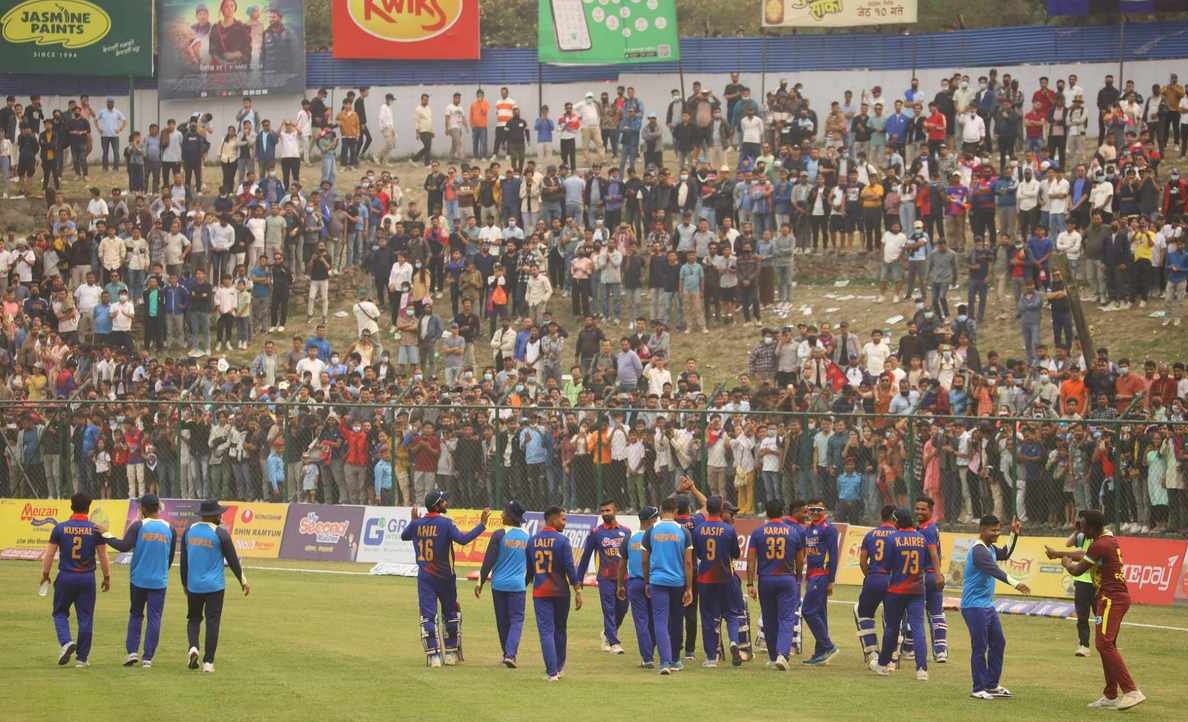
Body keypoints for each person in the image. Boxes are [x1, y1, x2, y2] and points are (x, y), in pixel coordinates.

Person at [1057, 509, 1147, 710]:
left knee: (1104, 644)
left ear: (1092, 527)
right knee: (1107, 645)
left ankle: (1131, 691)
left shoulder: (1100, 544)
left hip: (1111, 599)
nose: (1080, 530)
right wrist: (1060, 553)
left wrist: (1066, 563)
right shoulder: (1107, 540)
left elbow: (1077, 570)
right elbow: (1086, 555)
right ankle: (1110, 695)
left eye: (1082, 525)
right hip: (1112, 598)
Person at [399, 490, 489, 667]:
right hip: (445, 577)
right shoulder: (446, 523)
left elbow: (404, 536)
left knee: (428, 616)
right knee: (450, 614)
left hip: (425, 577)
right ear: (437, 505)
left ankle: (433, 657)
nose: (446, 503)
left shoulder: (417, 524)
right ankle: (450, 654)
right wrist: (482, 525)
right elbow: (463, 539)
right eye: (443, 501)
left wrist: (414, 522)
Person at [103, 493, 177, 668]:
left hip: (138, 580)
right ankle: (148, 658)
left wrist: (105, 535)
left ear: (143, 509)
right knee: (154, 618)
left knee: (136, 615)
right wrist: (161, 572)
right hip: (159, 581)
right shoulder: (170, 528)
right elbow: (170, 557)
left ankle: (132, 652)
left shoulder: (138, 526)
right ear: (158, 508)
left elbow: (123, 546)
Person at [961, 515, 1028, 700]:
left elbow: (1005, 553)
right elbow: (994, 570)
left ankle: (991, 685)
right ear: (982, 530)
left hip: (986, 605)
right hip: (973, 606)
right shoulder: (979, 551)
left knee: (998, 642)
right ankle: (978, 688)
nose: (997, 533)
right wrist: (1016, 583)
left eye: (999, 530)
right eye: (993, 530)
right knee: (980, 646)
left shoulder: (990, 548)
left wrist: (1014, 534)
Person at [40, 493, 110, 668]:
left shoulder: (60, 528)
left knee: (60, 613)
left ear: (71, 506)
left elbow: (49, 554)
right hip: (87, 578)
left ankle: (66, 642)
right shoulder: (95, 530)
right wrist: (107, 576)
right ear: (88, 508)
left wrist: (45, 574)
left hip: (66, 576)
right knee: (85, 617)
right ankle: (82, 658)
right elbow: (103, 555)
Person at [180, 498, 249, 673]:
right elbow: (233, 561)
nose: (221, 516)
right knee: (213, 622)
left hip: (194, 586)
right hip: (215, 587)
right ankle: (208, 663)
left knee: (193, 619)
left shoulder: (189, 531)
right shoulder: (220, 534)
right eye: (219, 514)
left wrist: (184, 584)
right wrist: (243, 581)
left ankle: (193, 647)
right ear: (215, 516)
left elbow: (183, 562)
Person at [870, 508, 929, 680]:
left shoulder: (892, 539)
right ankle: (922, 669)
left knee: (892, 628)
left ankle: (883, 665)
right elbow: (925, 563)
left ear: (896, 521)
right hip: (917, 590)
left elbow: (886, 565)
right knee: (918, 628)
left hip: (896, 590)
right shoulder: (921, 538)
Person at [746, 499, 804, 671]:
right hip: (786, 578)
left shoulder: (758, 533)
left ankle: (773, 657)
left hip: (766, 579)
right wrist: (797, 577)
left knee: (769, 618)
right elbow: (800, 559)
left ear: (766, 512)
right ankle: (782, 654)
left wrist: (750, 583)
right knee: (787, 618)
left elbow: (751, 560)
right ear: (782, 512)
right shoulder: (793, 532)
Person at [527, 505, 583, 681]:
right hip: (561, 592)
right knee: (560, 629)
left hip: (540, 593)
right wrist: (577, 590)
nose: (565, 523)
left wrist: (524, 585)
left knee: (546, 632)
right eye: (563, 519)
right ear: (552, 519)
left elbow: (529, 571)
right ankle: (559, 667)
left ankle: (551, 672)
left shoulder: (532, 541)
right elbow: (570, 568)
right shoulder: (562, 541)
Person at [642, 496, 693, 675]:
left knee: (660, 621)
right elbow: (688, 562)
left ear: (661, 510)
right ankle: (675, 660)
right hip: (677, 582)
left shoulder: (651, 530)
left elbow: (644, 560)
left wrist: (647, 581)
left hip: (657, 581)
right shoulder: (683, 532)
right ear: (676, 511)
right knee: (677, 621)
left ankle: (664, 662)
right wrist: (689, 587)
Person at [475, 500, 529, 668]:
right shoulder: (527, 536)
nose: (501, 515)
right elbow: (532, 563)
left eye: (504, 512)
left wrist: (480, 582)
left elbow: (488, 561)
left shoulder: (499, 534)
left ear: (511, 517)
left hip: (498, 585)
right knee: (516, 621)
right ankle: (510, 655)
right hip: (518, 586)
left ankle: (507, 653)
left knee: (502, 621)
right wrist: (526, 581)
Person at [691, 494, 740, 667]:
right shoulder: (728, 530)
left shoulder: (698, 530)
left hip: (705, 578)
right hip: (726, 577)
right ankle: (734, 641)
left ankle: (711, 657)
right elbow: (736, 553)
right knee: (732, 613)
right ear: (721, 509)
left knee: (708, 617)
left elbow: (697, 553)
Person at [577, 499, 630, 655]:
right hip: (605, 577)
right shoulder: (596, 533)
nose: (605, 514)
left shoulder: (626, 531)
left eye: (608, 510)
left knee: (622, 609)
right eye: (602, 511)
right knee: (609, 609)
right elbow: (585, 556)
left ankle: (607, 634)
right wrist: (578, 579)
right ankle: (614, 643)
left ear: (615, 510)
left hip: (624, 578)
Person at [854, 504, 897, 664]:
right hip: (893, 579)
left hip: (874, 577)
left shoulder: (870, 535)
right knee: (893, 617)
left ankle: (872, 652)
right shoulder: (899, 535)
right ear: (894, 517)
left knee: (864, 613)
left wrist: (870, 576)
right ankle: (892, 656)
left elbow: (862, 561)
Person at [617, 505, 658, 668]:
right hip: (653, 582)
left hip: (634, 583)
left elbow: (622, 565)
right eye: (656, 518)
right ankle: (651, 652)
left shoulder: (630, 537)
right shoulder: (655, 537)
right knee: (654, 620)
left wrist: (620, 585)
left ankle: (647, 658)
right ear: (651, 520)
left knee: (641, 621)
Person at [800, 498, 839, 665]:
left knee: (808, 611)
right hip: (811, 575)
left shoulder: (828, 529)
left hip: (821, 575)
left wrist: (831, 580)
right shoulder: (807, 530)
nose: (815, 513)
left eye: (819, 510)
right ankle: (820, 652)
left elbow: (834, 555)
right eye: (812, 510)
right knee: (820, 613)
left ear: (824, 511)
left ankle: (828, 646)